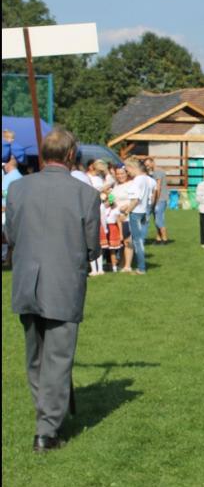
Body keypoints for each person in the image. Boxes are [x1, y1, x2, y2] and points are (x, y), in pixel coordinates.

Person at [5, 127, 101, 452]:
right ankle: (46, 430)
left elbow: (11, 235)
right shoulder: (84, 194)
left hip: (26, 283)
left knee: (36, 358)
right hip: (63, 284)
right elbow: (93, 247)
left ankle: (46, 415)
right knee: (56, 359)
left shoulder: (17, 189)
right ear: (72, 155)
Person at [120, 157, 153, 275]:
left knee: (137, 242)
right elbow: (152, 194)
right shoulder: (147, 179)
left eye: (127, 170)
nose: (127, 173)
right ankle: (141, 266)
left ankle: (141, 268)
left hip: (136, 213)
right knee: (139, 241)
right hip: (145, 211)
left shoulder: (137, 180)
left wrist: (126, 212)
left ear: (132, 167)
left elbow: (135, 200)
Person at [111, 166, 135, 272]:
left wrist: (126, 208)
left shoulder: (131, 185)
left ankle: (128, 265)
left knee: (127, 240)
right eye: (118, 174)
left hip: (126, 216)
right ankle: (122, 263)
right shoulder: (115, 186)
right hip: (115, 217)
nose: (120, 176)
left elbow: (135, 200)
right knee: (120, 241)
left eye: (122, 173)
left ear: (127, 173)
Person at [2, 155, 24, 265]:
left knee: (8, 237)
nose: (3, 166)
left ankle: (8, 260)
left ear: (9, 164)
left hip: (7, 212)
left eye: (5, 164)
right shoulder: (12, 176)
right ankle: (7, 259)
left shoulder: (14, 177)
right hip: (7, 212)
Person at [145, 157, 169, 244]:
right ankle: (159, 238)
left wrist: (155, 200)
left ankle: (165, 239)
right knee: (156, 219)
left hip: (160, 199)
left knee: (159, 220)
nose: (147, 167)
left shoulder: (157, 172)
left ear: (152, 162)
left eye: (148, 165)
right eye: (146, 165)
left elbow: (157, 187)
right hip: (160, 198)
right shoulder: (155, 172)